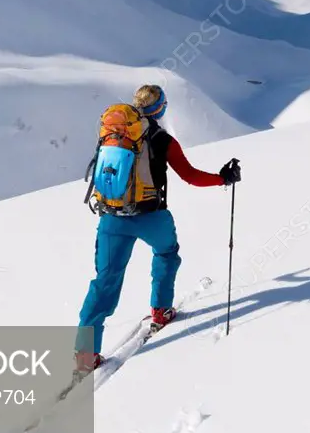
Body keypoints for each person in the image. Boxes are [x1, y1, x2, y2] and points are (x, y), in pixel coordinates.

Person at [75, 85, 241, 372]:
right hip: (151, 216)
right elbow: (190, 176)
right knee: (166, 253)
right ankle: (161, 310)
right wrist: (223, 179)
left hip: (112, 217)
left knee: (105, 280)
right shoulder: (163, 139)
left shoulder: (113, 132)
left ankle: (85, 354)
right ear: (160, 109)